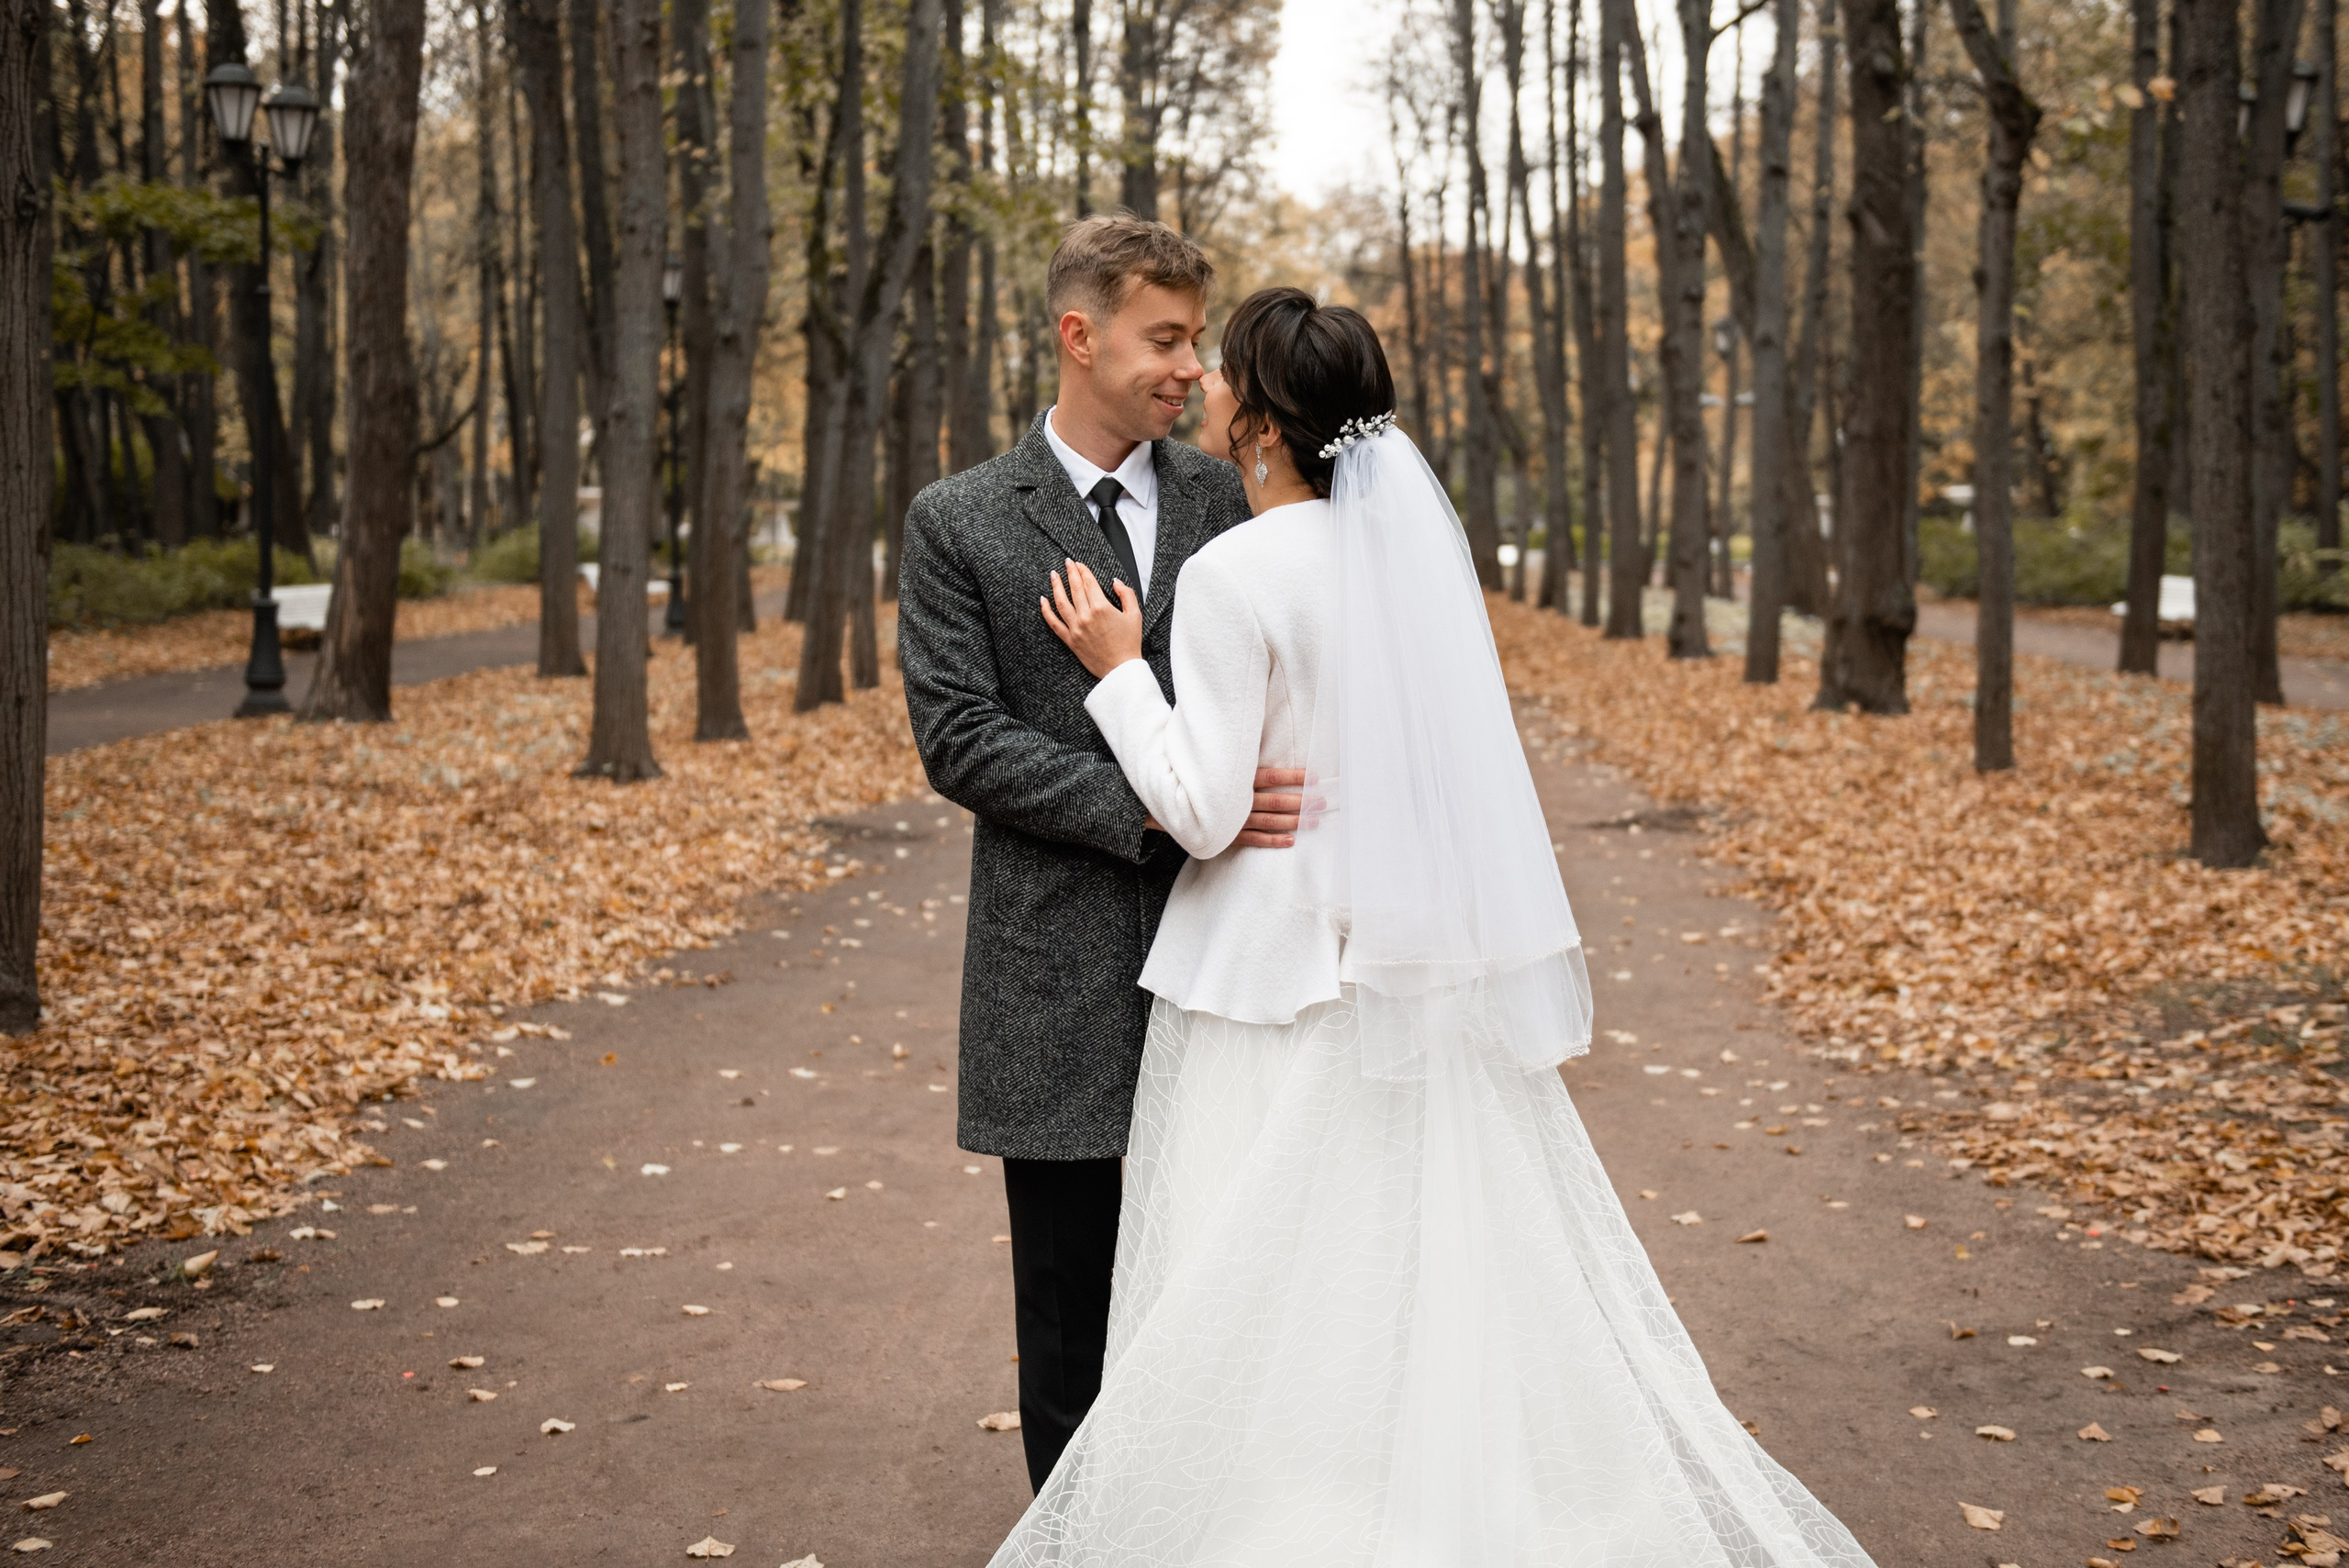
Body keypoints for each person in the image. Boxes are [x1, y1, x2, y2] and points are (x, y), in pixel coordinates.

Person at [996, 286, 1882, 1566]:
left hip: (1267, 973)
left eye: (1226, 371)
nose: (1208, 386)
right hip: (1403, 962)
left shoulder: (1234, 570)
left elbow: (1202, 810)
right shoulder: (1403, 566)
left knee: (1258, 1273)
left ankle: (1279, 1519)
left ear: (1263, 424)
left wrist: (1122, 673)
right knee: (1402, 1265)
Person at [896, 216, 1302, 1494]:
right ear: (1081, 336)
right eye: (1165, 339)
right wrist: (1161, 806)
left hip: (1234, 948)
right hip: (1052, 967)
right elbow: (960, 738)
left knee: (1227, 1277)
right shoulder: (958, 520)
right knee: (1069, 1306)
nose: (1192, 368)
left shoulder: (1233, 496)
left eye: (1197, 340)